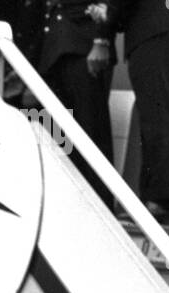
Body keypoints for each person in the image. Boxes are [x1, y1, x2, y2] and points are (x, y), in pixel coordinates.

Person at [100, 0, 169, 222]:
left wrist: (106, 19)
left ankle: (162, 196)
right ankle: (158, 194)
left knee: (154, 114)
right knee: (155, 112)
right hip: (166, 26)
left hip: (152, 30)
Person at [36, 1, 116, 202]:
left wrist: (101, 40)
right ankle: (64, 203)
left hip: (84, 48)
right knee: (56, 140)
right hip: (51, 53)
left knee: (88, 131)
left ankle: (98, 206)